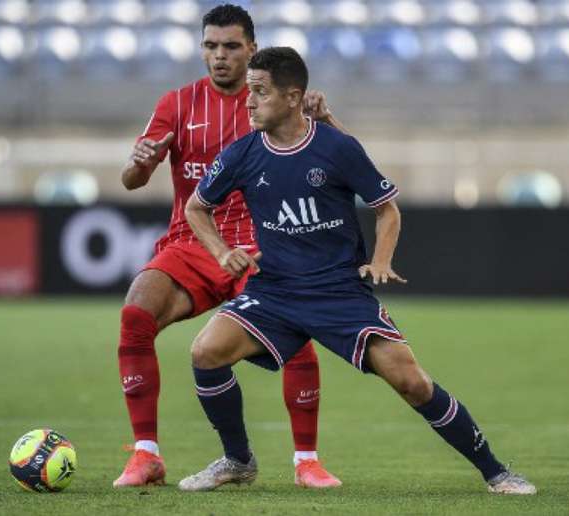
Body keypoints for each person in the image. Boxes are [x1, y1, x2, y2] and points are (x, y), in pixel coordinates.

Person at [180, 46, 538, 495]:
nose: (248, 102)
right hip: (276, 291)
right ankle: (237, 459)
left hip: (339, 293)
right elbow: (198, 207)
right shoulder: (242, 154)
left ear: (293, 97)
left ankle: (497, 471)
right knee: (205, 353)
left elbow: (387, 209)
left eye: (259, 92)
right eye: (249, 92)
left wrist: (382, 258)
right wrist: (220, 251)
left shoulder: (336, 146)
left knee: (412, 381)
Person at [114, 4, 343, 488]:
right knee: (136, 312)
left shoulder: (277, 103)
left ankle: (307, 461)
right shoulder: (176, 104)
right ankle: (146, 454)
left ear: (252, 50)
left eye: (231, 46)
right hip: (192, 242)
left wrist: (323, 118)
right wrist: (139, 162)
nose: (220, 56)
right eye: (211, 46)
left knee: (299, 332)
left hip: (263, 246)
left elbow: (332, 162)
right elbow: (133, 181)